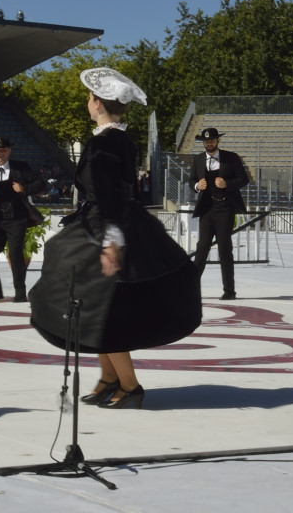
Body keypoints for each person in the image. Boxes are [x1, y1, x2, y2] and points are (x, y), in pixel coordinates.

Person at [29, 68, 201, 410]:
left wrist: (110, 240)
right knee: (96, 304)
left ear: (97, 103)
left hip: (106, 224)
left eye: (89, 97)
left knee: (101, 307)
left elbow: (107, 192)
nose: (87, 102)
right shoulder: (121, 138)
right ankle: (109, 377)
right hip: (120, 220)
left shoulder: (102, 143)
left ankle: (130, 385)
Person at [0, 136, 43, 302]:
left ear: (9, 151)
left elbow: (40, 184)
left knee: (15, 254)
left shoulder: (20, 168)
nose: (1, 153)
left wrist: (24, 188)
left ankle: (20, 293)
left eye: (4, 150)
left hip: (16, 218)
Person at [190, 127, 249, 301]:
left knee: (224, 248)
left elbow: (243, 179)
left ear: (218, 141)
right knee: (202, 247)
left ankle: (229, 291)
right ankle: (190, 288)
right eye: (206, 141)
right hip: (207, 209)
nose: (209, 143)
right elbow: (191, 180)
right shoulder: (198, 159)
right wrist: (197, 186)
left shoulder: (231, 157)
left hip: (225, 208)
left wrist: (227, 184)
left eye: (212, 140)